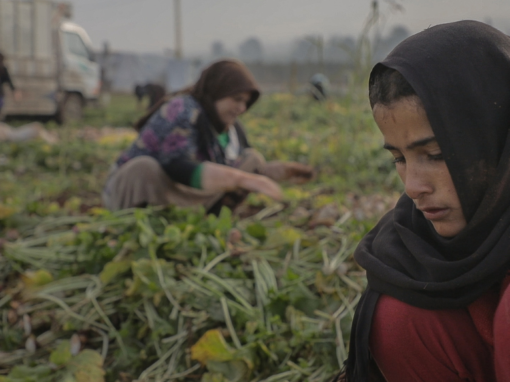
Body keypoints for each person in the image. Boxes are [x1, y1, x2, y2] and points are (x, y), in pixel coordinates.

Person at [338, 21, 510, 382]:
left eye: (434, 153)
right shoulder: (411, 238)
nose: (413, 187)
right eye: (399, 159)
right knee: (399, 317)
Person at [103, 60, 314, 212]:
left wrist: (279, 172)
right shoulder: (183, 108)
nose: (242, 108)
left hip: (182, 196)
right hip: (141, 189)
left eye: (246, 103)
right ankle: (137, 226)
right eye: (236, 99)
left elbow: (240, 168)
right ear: (217, 92)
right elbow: (176, 166)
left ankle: (207, 219)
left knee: (252, 159)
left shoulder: (231, 128)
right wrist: (244, 179)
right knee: (144, 168)